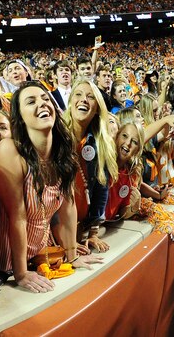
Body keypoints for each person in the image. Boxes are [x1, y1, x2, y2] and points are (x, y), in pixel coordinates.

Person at [0, 81, 103, 293]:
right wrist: (20, 273)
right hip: (6, 261)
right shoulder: (9, 150)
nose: (42, 104)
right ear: (19, 118)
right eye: (31, 101)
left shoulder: (63, 149)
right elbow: (18, 216)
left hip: (42, 255)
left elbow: (68, 208)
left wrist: (71, 254)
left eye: (45, 99)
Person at [62, 79, 118, 253]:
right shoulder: (56, 138)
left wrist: (93, 232)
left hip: (82, 231)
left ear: (96, 110)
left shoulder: (101, 144)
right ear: (70, 102)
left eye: (90, 97)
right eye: (78, 94)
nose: (83, 99)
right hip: (57, 233)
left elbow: (102, 189)